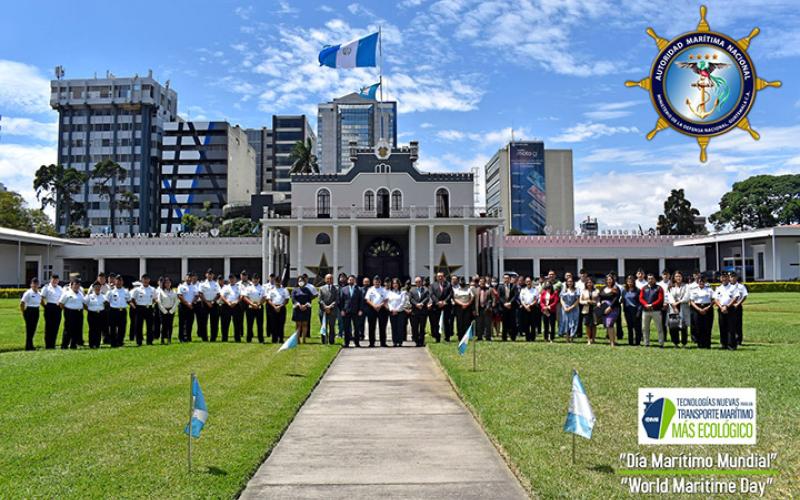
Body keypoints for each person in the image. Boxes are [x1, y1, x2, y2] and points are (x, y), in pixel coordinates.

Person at [714, 272, 739, 350]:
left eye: (726, 277)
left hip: (730, 309)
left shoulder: (733, 287)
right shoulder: (718, 288)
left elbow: (735, 297)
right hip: (721, 309)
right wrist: (721, 307)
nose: (724, 279)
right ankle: (723, 344)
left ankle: (731, 345)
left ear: (728, 278)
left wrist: (727, 306)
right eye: (722, 277)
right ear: (720, 279)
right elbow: (716, 299)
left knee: (731, 327)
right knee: (722, 327)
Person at [639, 273, 665, 347]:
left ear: (655, 279)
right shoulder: (644, 288)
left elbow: (660, 299)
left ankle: (661, 343)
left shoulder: (659, 288)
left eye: (652, 278)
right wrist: (645, 304)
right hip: (645, 311)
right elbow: (641, 298)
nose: (650, 280)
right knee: (645, 328)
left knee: (659, 327)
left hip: (656, 311)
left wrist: (652, 305)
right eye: (649, 279)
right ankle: (646, 343)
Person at [58, 279, 85, 349]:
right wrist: (67, 310)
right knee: (68, 329)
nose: (77, 286)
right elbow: (61, 303)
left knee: (77, 329)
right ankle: (64, 345)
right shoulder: (67, 293)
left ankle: (73, 344)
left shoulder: (80, 293)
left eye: (78, 285)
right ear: (71, 285)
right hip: (70, 312)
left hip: (79, 312)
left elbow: (83, 302)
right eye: (75, 284)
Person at [337, 275, 363, 347]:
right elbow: (340, 301)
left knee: (356, 328)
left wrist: (360, 310)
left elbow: (361, 301)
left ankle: (357, 343)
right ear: (348, 281)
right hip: (346, 311)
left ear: (355, 281)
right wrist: (342, 310)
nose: (351, 281)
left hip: (356, 311)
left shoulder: (359, 289)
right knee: (346, 328)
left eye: (352, 279)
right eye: (350, 280)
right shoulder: (343, 289)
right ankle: (347, 343)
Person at [689, 275, 714, 348]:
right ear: (698, 282)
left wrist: (708, 307)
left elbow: (713, 300)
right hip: (697, 308)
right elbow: (691, 301)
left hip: (707, 308)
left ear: (705, 282)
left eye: (702, 281)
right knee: (698, 326)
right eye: (700, 281)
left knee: (707, 326)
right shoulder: (694, 290)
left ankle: (707, 344)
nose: (701, 282)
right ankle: (700, 344)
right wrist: (698, 309)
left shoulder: (709, 290)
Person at [130, 274, 156, 346]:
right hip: (140, 308)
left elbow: (154, 299)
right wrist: (135, 307)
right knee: (139, 325)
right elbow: (132, 299)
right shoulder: (137, 289)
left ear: (149, 280)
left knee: (150, 325)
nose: (145, 280)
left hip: (149, 308)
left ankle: (149, 341)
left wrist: (151, 304)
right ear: (141, 280)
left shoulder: (152, 289)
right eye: (144, 279)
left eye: (147, 279)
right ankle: (139, 341)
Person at [666, 271, 690, 347]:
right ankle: (675, 342)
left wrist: (679, 302)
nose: (678, 278)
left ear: (682, 277)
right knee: (673, 326)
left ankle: (684, 343)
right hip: (673, 308)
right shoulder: (670, 286)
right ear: (674, 278)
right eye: (676, 276)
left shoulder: (686, 286)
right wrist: (674, 306)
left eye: (679, 276)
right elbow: (669, 297)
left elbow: (687, 297)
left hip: (683, 307)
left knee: (684, 326)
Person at [428, 272, 452, 342]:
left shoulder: (448, 284)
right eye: (439, 276)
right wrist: (438, 302)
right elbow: (432, 294)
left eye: (441, 276)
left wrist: (444, 302)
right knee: (435, 322)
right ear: (436, 277)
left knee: (447, 322)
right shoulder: (432, 285)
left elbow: (450, 294)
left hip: (446, 305)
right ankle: (437, 337)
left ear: (444, 277)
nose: (440, 278)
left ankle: (447, 337)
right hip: (436, 306)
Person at [196, 269, 220, 342]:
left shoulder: (216, 284)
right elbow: (200, 294)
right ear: (206, 275)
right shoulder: (202, 284)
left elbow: (219, 294)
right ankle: (204, 338)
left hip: (214, 304)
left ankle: (213, 338)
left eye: (211, 274)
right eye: (208, 274)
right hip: (204, 304)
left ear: (213, 275)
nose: (210, 275)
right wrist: (207, 302)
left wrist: (212, 301)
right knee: (203, 322)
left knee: (214, 322)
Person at [365, 276, 389, 347]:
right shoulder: (370, 289)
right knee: (371, 327)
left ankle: (383, 343)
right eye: (375, 282)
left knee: (382, 327)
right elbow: (367, 300)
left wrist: (379, 306)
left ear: (380, 282)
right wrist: (374, 306)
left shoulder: (383, 289)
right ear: (373, 282)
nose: (377, 283)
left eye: (378, 282)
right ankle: (371, 343)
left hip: (382, 309)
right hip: (372, 309)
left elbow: (386, 299)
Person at [40, 274, 63, 349]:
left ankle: (53, 344)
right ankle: (48, 345)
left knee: (56, 326)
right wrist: (45, 306)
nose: (55, 281)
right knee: (48, 327)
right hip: (49, 307)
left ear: (58, 280)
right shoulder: (46, 287)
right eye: (53, 280)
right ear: (51, 279)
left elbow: (62, 298)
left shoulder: (60, 288)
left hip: (57, 308)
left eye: (56, 280)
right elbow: (41, 298)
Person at [106, 274, 129, 347]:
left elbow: (129, 300)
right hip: (113, 311)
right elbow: (107, 301)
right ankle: (113, 342)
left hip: (123, 311)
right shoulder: (111, 291)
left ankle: (120, 341)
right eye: (117, 280)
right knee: (113, 327)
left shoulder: (126, 291)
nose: (119, 282)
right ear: (115, 281)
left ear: (122, 282)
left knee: (122, 327)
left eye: (120, 281)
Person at [20, 278, 42, 351]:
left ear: (38, 285)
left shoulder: (39, 293)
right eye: (34, 284)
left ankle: (30, 345)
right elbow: (22, 303)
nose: (35, 285)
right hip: (29, 311)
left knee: (33, 329)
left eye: (36, 284)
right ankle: (28, 346)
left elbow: (41, 301)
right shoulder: (28, 293)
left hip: (36, 311)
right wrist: (23, 312)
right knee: (29, 329)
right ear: (31, 285)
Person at [242, 273, 266, 343]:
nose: (255, 280)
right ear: (252, 280)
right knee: (249, 324)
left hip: (259, 307)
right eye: (254, 279)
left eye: (256, 279)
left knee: (260, 324)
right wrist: (252, 304)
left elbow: (264, 297)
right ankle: (249, 339)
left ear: (259, 280)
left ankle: (261, 339)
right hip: (250, 307)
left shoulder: (262, 288)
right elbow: (245, 297)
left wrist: (258, 304)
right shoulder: (248, 287)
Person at [598, 275, 620, 347]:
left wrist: (610, 307)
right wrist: (599, 302)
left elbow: (616, 299)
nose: (609, 281)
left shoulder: (615, 288)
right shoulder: (603, 288)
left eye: (610, 279)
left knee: (609, 323)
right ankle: (613, 340)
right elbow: (599, 297)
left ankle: (612, 343)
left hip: (613, 308)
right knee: (609, 325)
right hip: (604, 308)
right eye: (608, 279)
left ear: (613, 280)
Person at [85, 281, 108, 348]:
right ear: (93, 288)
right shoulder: (89, 296)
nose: (97, 288)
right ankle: (91, 344)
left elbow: (106, 305)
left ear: (100, 288)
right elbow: (84, 304)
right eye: (96, 287)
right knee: (92, 329)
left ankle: (97, 343)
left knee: (99, 329)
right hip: (92, 314)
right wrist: (88, 309)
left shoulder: (104, 296)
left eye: (98, 287)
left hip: (101, 314)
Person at [409, 276, 430, 347]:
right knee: (415, 328)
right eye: (416, 282)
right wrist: (416, 304)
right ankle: (416, 341)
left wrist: (422, 303)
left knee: (422, 328)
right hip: (415, 312)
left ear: (422, 282)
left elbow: (427, 298)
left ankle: (421, 341)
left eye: (419, 282)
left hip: (423, 311)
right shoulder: (412, 290)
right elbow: (411, 299)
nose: (418, 283)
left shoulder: (426, 289)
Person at [220, 274, 242, 342]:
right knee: (225, 323)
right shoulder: (225, 287)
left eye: (232, 278)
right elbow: (222, 296)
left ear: (235, 279)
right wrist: (228, 303)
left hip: (236, 306)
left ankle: (237, 338)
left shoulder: (239, 287)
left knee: (237, 323)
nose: (231, 280)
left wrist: (236, 302)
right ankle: (224, 338)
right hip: (227, 306)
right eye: (230, 278)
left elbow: (241, 296)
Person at [156, 276, 179, 344]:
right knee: (164, 325)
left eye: (169, 282)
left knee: (170, 325)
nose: (168, 284)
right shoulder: (161, 291)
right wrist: (164, 311)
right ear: (164, 284)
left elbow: (176, 301)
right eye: (166, 283)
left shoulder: (174, 291)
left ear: (171, 283)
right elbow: (159, 302)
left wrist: (172, 310)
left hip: (171, 310)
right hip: (163, 311)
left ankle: (169, 339)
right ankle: (162, 339)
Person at [292, 275, 314, 343]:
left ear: (304, 282)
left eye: (302, 280)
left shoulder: (307, 290)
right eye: (299, 281)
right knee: (298, 325)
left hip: (306, 309)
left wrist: (305, 305)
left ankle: (304, 339)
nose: (300, 282)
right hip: (297, 309)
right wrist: (299, 305)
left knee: (305, 324)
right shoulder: (295, 290)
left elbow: (310, 299)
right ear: (297, 282)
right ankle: (298, 339)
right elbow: (293, 299)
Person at [452, 276, 475, 340]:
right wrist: (462, 304)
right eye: (461, 281)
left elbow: (472, 297)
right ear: (459, 282)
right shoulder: (456, 289)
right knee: (459, 322)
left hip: (467, 307)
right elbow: (454, 298)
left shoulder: (468, 289)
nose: (462, 282)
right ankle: (460, 336)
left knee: (467, 322)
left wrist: (467, 304)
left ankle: (466, 337)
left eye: (463, 281)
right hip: (459, 307)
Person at [267, 276, 290, 344]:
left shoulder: (284, 290)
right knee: (273, 324)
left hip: (281, 308)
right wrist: (274, 307)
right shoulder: (271, 290)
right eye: (276, 281)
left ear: (281, 281)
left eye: (279, 281)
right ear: (274, 282)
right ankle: (274, 339)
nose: (277, 282)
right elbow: (269, 300)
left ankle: (281, 339)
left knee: (281, 324)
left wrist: (280, 306)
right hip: (273, 308)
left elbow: (287, 300)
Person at [622, 275, 643, 346]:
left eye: (631, 282)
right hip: (627, 310)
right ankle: (630, 342)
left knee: (637, 327)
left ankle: (637, 342)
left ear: (634, 282)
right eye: (628, 282)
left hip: (635, 310)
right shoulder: (624, 291)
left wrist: (639, 312)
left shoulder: (638, 290)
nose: (630, 283)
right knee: (629, 327)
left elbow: (640, 302)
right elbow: (623, 300)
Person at [318, 274, 339, 345]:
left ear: (333, 279)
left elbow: (337, 300)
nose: (329, 280)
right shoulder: (321, 288)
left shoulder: (336, 289)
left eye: (331, 278)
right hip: (323, 311)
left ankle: (331, 341)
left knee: (332, 326)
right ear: (325, 279)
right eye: (328, 278)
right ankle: (324, 341)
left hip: (332, 311)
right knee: (323, 326)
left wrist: (330, 307)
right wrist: (325, 307)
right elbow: (320, 300)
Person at [497, 273, 519, 341]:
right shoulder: (500, 287)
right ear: (503, 279)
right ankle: (504, 337)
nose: (506, 280)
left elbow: (515, 295)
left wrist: (510, 303)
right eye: (505, 278)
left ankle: (513, 337)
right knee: (504, 323)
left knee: (512, 322)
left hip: (512, 307)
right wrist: (504, 303)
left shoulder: (514, 286)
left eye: (507, 278)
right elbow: (499, 296)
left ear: (510, 279)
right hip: (503, 308)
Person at [177, 273, 197, 343]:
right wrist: (187, 303)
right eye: (188, 277)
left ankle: (188, 337)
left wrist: (191, 303)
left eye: (190, 278)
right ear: (185, 278)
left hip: (191, 306)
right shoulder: (181, 286)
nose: (189, 279)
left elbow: (196, 296)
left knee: (190, 322)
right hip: (183, 306)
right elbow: (179, 296)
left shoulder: (194, 287)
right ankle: (181, 337)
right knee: (182, 323)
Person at [518, 276, 540, 341]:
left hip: (533, 307)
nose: (528, 282)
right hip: (525, 307)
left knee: (533, 323)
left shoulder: (535, 290)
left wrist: (530, 305)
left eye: (529, 281)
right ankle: (527, 338)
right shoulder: (523, 290)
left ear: (531, 282)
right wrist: (525, 306)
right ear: (525, 282)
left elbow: (536, 299)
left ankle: (533, 338)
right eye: (527, 281)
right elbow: (521, 300)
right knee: (526, 323)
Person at [559, 276, 580, 341]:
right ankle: (567, 338)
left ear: (573, 282)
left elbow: (577, 300)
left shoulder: (577, 289)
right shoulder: (564, 289)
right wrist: (565, 307)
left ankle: (572, 337)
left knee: (573, 322)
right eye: (568, 281)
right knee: (566, 322)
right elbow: (561, 299)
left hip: (574, 309)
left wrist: (571, 307)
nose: (569, 283)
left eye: (571, 281)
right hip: (565, 308)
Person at [729, 272, 748, 346]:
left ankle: (738, 340)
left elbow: (744, 296)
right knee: (730, 323)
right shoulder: (728, 286)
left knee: (738, 324)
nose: (732, 278)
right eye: (731, 277)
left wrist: (738, 303)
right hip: (729, 306)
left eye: (734, 277)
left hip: (737, 306)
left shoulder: (741, 286)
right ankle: (730, 339)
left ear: (736, 278)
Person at [474, 276, 496, 341]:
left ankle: (488, 337)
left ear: (485, 282)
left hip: (487, 309)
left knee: (488, 323)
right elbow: (473, 300)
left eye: (483, 282)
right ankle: (479, 337)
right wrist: (474, 309)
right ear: (479, 282)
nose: (482, 283)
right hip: (479, 309)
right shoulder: (476, 289)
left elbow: (494, 298)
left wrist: (492, 305)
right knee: (479, 324)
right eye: (480, 281)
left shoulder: (490, 289)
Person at [386, 278, 406, 347]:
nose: (395, 285)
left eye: (396, 283)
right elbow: (388, 302)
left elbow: (402, 302)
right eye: (394, 283)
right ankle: (394, 341)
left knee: (400, 327)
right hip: (392, 312)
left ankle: (400, 342)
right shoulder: (389, 292)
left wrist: (397, 310)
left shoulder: (402, 292)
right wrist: (392, 310)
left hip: (400, 312)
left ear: (399, 284)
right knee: (393, 327)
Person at [579, 277, 599, 345]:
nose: (589, 284)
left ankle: (593, 339)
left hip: (594, 309)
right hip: (586, 309)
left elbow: (599, 300)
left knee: (594, 325)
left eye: (590, 282)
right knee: (587, 325)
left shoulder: (596, 291)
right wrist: (587, 302)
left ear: (593, 283)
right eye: (588, 283)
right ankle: (588, 340)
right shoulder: (583, 291)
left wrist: (596, 303)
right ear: (586, 284)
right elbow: (580, 301)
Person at [358, 276, 372, 342]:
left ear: (369, 282)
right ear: (363, 282)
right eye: (365, 282)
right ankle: (361, 335)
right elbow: (358, 300)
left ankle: (371, 336)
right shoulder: (360, 289)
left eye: (367, 282)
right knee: (361, 323)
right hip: (362, 309)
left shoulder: (372, 289)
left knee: (371, 324)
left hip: (370, 309)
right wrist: (359, 309)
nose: (366, 283)